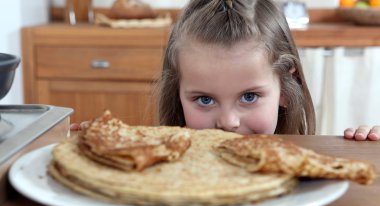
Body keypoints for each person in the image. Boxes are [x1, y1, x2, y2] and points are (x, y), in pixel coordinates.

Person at [71, 0, 380, 141]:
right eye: (205, 100)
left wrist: (370, 146)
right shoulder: (161, 166)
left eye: (249, 96)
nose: (228, 122)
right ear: (178, 95)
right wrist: (102, 148)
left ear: (285, 89)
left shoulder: (308, 172)